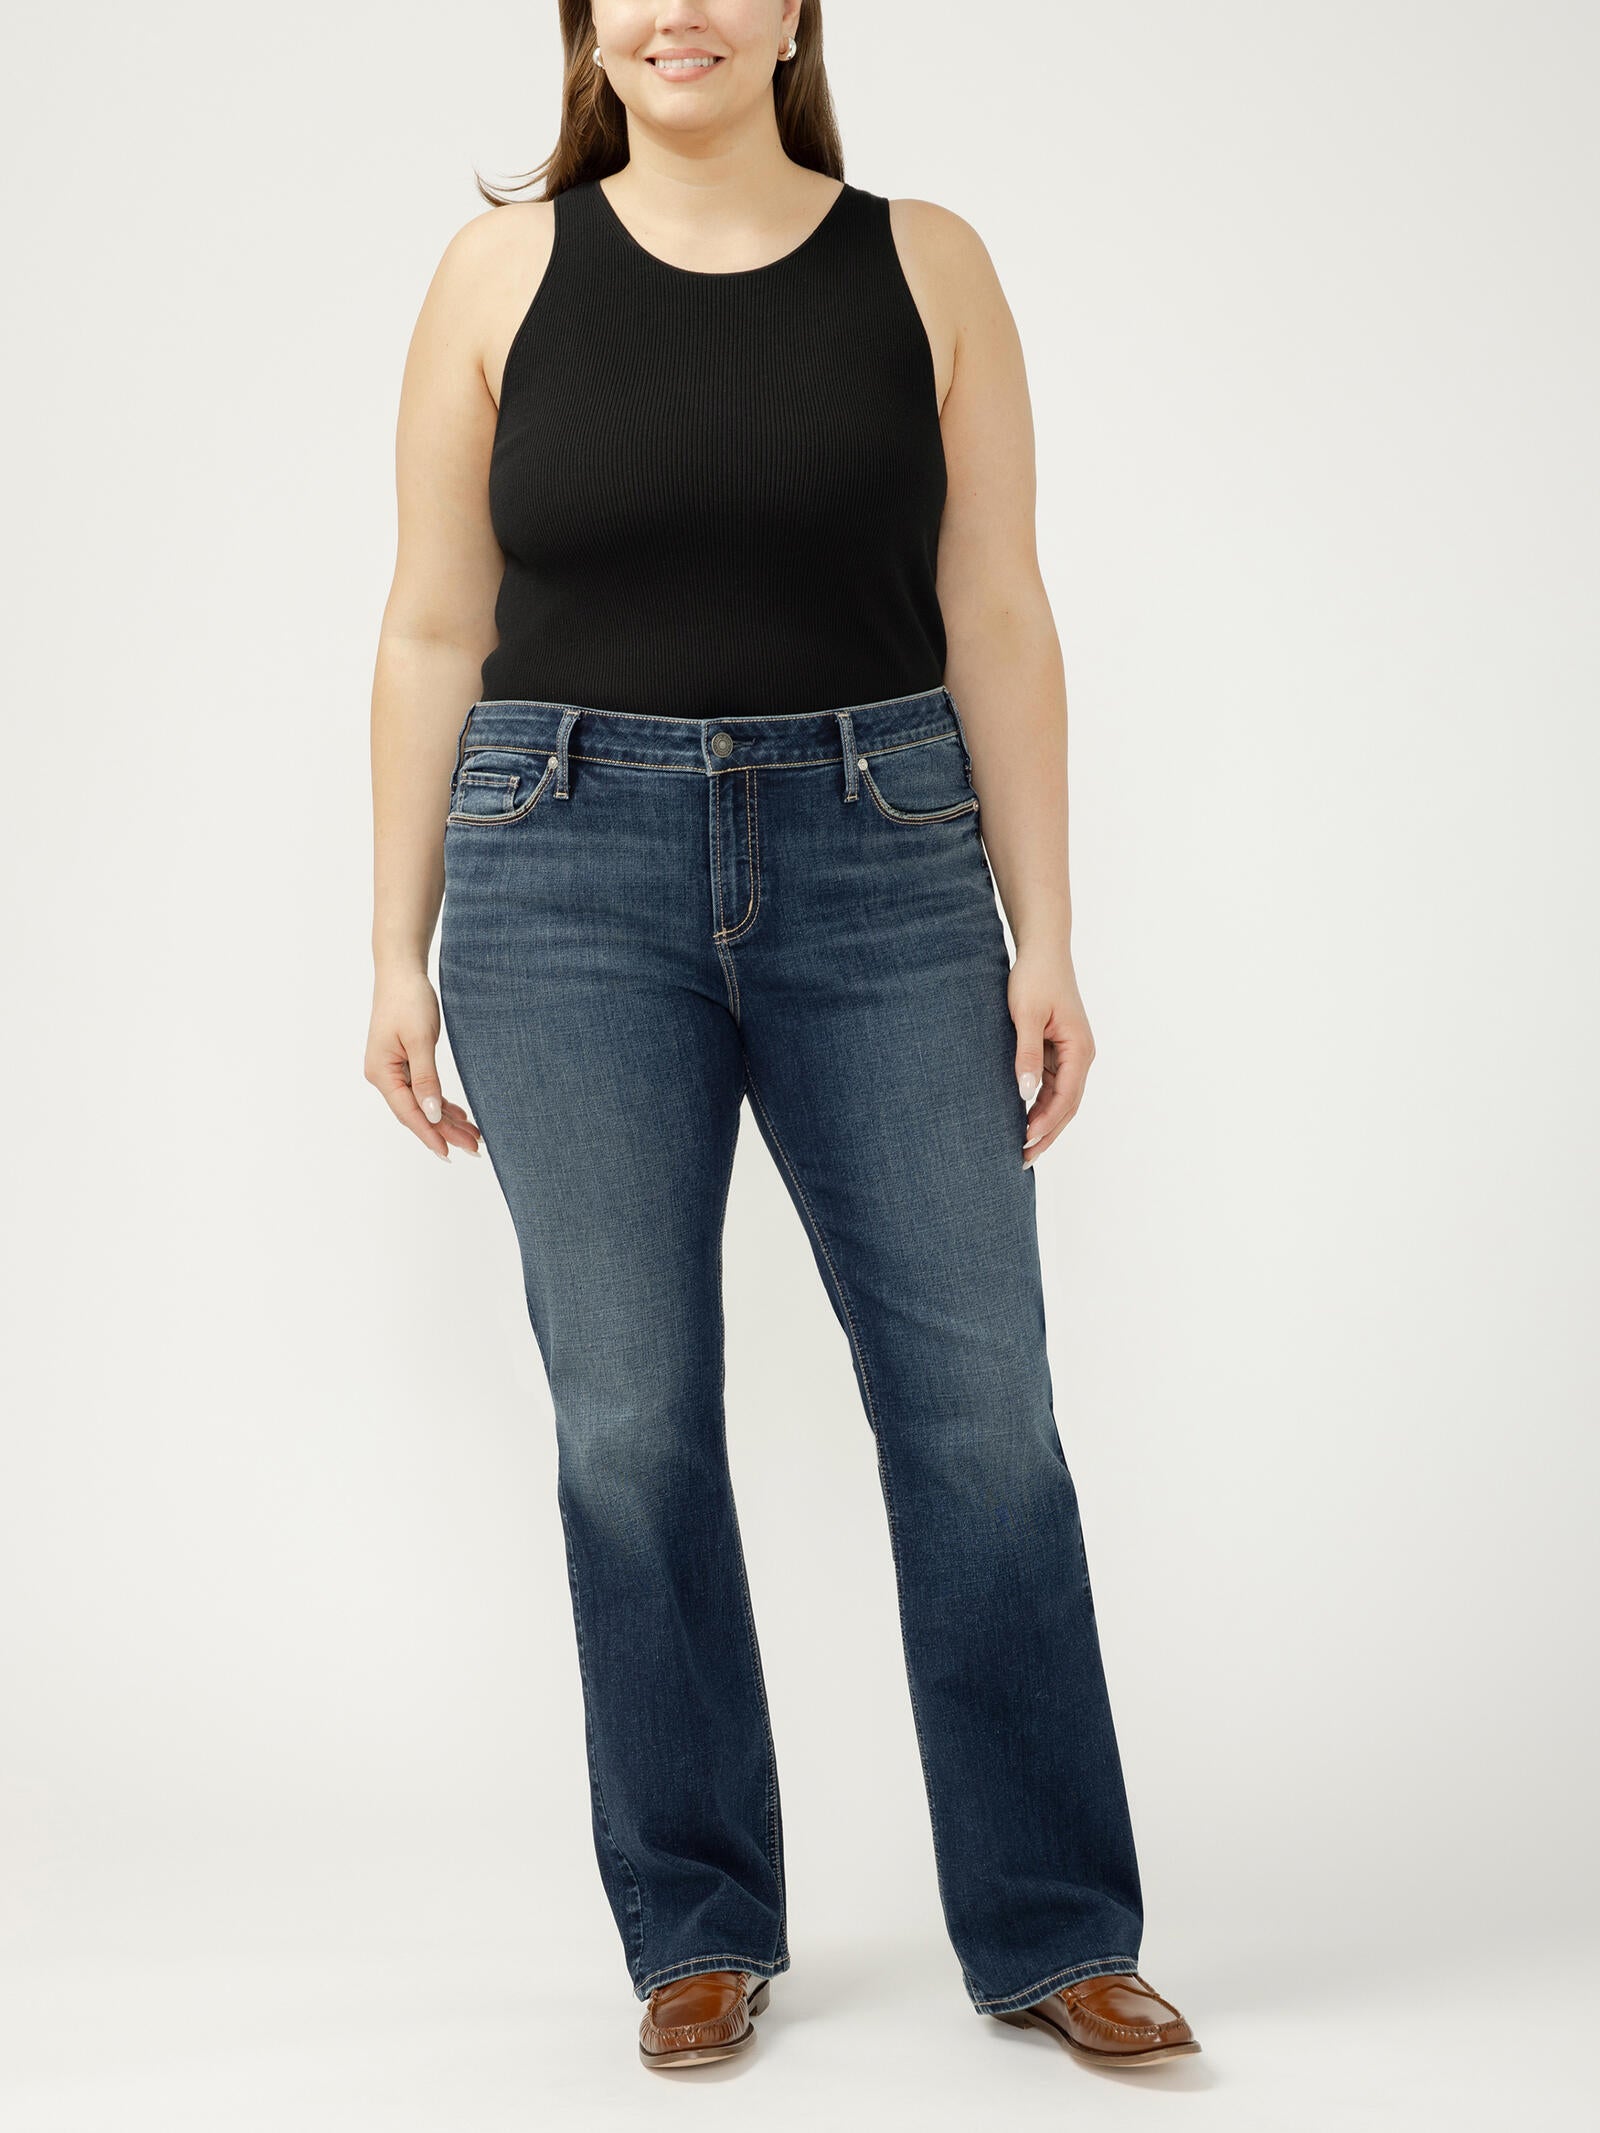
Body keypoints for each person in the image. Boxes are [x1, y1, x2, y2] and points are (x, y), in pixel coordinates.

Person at [364, 0, 1199, 2076]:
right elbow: (433, 621)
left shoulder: (928, 263)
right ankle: (698, 1921)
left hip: (882, 855)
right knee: (629, 1417)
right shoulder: (496, 273)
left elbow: (995, 607)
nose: (684, 13)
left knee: (978, 1408)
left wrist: (1046, 929)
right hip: (559, 865)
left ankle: (1053, 1926)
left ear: (799, 11)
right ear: (584, 24)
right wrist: (394, 945)